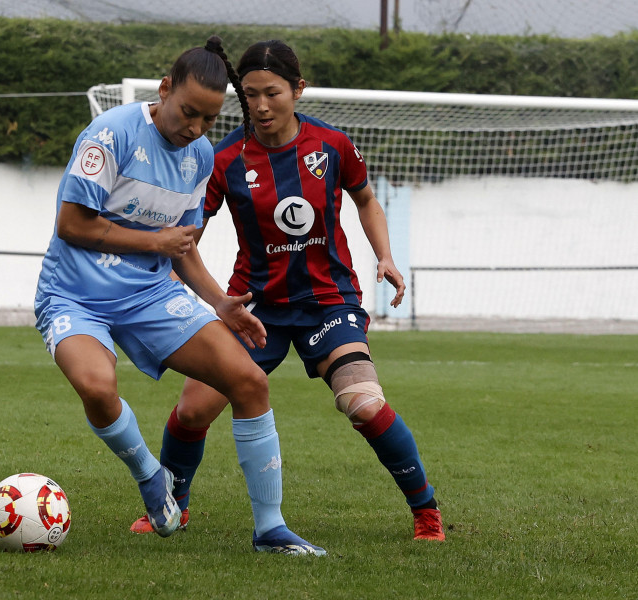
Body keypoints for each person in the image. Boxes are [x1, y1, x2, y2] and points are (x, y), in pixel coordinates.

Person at [130, 39, 446, 542]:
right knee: (192, 409)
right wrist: (177, 274)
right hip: (253, 310)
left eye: (272, 93)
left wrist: (384, 255)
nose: (261, 105)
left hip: (328, 301)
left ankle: (426, 512)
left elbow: (366, 201)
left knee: (362, 401)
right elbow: (191, 232)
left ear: (298, 90)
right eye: (251, 94)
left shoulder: (333, 145)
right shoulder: (225, 157)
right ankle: (172, 507)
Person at [34, 36, 326, 555]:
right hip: (74, 296)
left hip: (148, 293)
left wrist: (221, 303)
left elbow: (183, 248)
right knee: (99, 389)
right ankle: (151, 477)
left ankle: (270, 528)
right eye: (188, 112)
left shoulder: (199, 156)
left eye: (209, 120)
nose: (194, 128)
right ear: (165, 89)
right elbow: (71, 223)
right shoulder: (110, 134)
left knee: (249, 380)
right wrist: (155, 242)